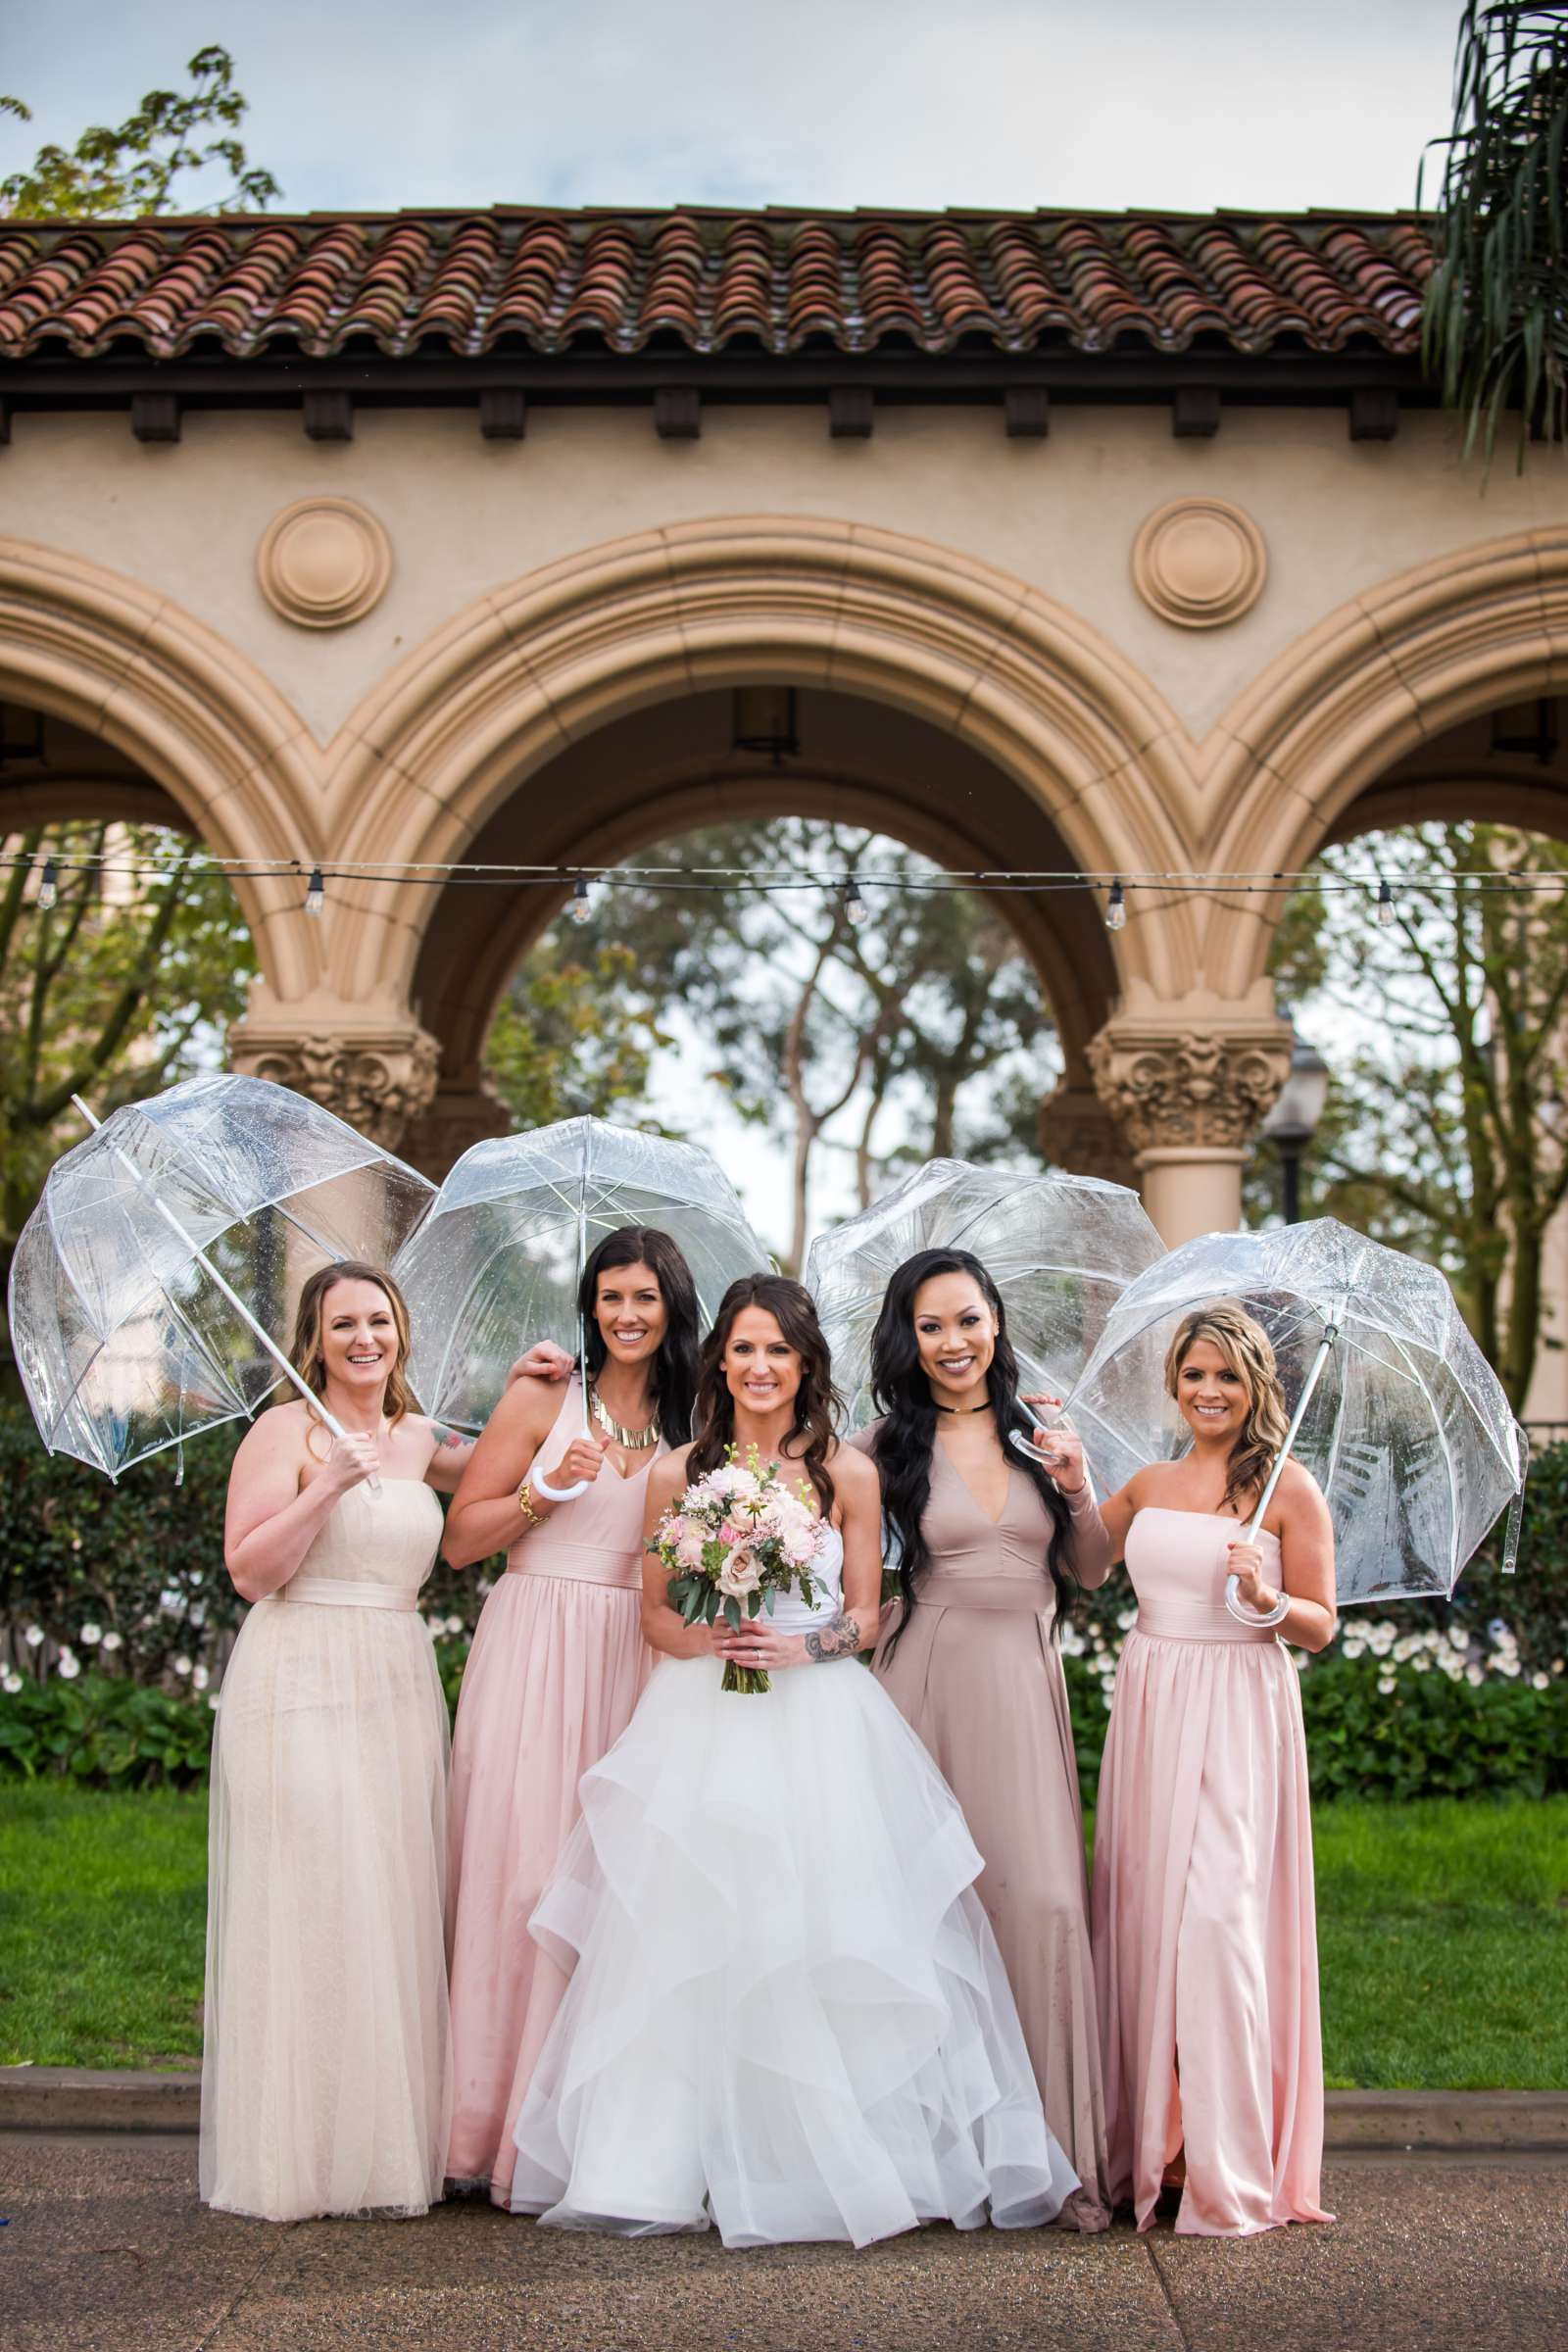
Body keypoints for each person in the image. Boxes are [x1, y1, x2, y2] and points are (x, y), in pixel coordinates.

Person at [508, 1274, 1079, 2249]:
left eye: (779, 1351)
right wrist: (710, 1644)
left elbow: (866, 1617)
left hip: (819, 1717)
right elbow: (653, 1613)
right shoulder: (677, 1472)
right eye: (743, 1349)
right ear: (719, 1362)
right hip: (701, 1718)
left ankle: (827, 2162)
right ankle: (664, 2164)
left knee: (819, 1931)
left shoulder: (842, 1472)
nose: (760, 1367)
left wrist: (798, 1646)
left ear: (805, 1364)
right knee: (696, 1929)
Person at [201, 1260, 471, 2223]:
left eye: (380, 1321)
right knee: (313, 1891)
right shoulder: (286, 1430)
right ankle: (293, 2157)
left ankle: (373, 2152)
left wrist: (540, 1395)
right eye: (344, 1323)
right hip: (299, 1670)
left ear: (400, 1332)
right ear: (315, 1340)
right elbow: (248, 1570)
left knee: (383, 1898)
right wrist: (322, 1491)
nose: (365, 1338)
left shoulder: (418, 1436)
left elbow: (497, 1492)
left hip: (394, 1678)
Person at [441, 1227, 701, 2204]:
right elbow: (462, 1541)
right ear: (588, 1306)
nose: (627, 1315)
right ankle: (493, 2131)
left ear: (674, 1306)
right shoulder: (542, 1394)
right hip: (537, 1644)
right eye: (609, 1297)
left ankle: (598, 2134)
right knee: (522, 1881)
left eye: (645, 1297)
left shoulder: (696, 1418)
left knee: (623, 1891)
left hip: (642, 1661)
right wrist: (540, 1495)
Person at [860, 1248, 1114, 2230]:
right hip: (926, 1679)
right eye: (930, 1326)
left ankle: (1056, 2162)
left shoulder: (1042, 1433)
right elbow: (847, 1565)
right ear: (907, 1339)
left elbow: (1089, 1570)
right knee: (933, 1914)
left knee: (1041, 1907)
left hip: (1022, 1678)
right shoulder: (886, 1445)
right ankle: (935, 2162)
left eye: (966, 1320)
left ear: (995, 1323)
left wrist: (1081, 1483)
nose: (952, 1342)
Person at [1088, 1300, 1338, 2237]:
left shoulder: (1289, 1490)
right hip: (1154, 1702)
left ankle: (1229, 2159)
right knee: (1148, 1924)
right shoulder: (1147, 1483)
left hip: (1240, 1707)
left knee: (1217, 1926)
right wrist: (1075, 1479)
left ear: (1256, 1386)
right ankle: (1158, 2144)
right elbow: (1081, 1561)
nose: (1209, 1391)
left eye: (1227, 1376)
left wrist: (1269, 1595)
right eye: (1195, 1374)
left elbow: (1322, 1624)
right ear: (1175, 1383)